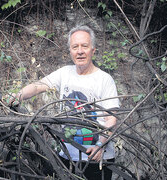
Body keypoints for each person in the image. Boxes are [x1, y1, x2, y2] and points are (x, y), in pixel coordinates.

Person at [9, 25, 119, 180]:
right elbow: (37, 86)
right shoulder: (64, 73)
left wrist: (100, 145)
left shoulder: (104, 80)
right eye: (75, 47)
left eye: (84, 46)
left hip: (96, 159)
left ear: (93, 50)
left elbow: (111, 119)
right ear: (70, 51)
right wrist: (16, 96)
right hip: (66, 157)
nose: (80, 51)